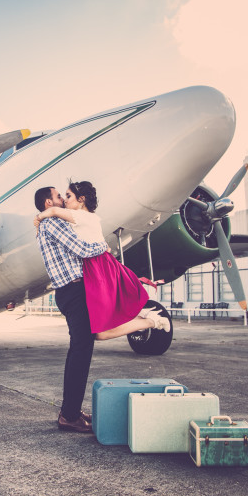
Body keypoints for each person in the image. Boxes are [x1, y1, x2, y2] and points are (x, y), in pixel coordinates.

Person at [34, 180, 170, 340]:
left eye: (68, 195)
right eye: (62, 196)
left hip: (98, 266)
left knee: (101, 327)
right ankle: (150, 318)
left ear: (81, 199)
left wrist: (39, 217)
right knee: (100, 330)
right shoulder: (80, 217)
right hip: (96, 266)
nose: (64, 199)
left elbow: (53, 212)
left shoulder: (80, 215)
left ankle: (151, 319)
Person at [34, 186, 108, 433]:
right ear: (48, 203)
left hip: (73, 290)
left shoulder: (51, 223)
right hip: (74, 291)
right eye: (58, 197)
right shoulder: (52, 224)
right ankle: (69, 415)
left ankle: (71, 410)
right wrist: (105, 247)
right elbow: (84, 249)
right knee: (80, 350)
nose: (62, 202)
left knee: (80, 349)